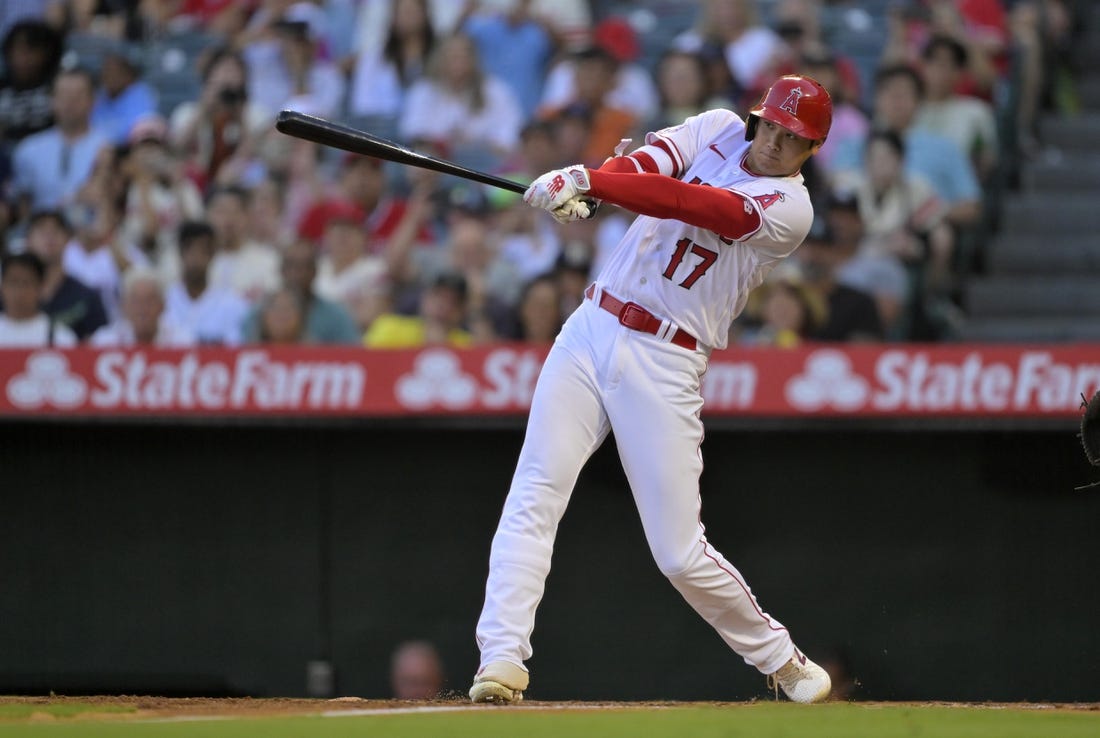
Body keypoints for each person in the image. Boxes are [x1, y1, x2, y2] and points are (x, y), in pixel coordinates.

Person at [468, 75, 835, 705]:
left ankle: (781, 658)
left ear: (811, 150)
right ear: (758, 118)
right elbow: (649, 163)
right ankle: (501, 659)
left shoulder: (790, 209)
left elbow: (691, 205)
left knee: (677, 552)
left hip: (667, 358)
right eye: (772, 124)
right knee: (535, 491)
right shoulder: (718, 126)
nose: (776, 141)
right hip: (591, 327)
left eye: (794, 137)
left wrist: (591, 180)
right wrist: (603, 182)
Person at [10, 67, 111, 214]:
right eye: (63, 95)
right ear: (51, 99)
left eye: (78, 95)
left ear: (93, 100)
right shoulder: (28, 149)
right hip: (41, 230)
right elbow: (23, 203)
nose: (70, 102)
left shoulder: (107, 146)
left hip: (91, 231)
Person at [22, 209, 108, 341]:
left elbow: (100, 344)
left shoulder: (86, 297)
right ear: (28, 241)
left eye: (56, 230)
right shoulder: (10, 298)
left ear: (68, 239)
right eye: (41, 231)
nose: (49, 237)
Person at [163, 221, 250, 346]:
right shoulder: (164, 301)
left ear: (212, 255)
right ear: (181, 253)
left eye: (203, 251)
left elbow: (235, 350)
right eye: (190, 250)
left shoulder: (232, 304)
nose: (196, 258)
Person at [90, 267, 194, 347]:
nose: (143, 308)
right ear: (124, 306)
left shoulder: (182, 342)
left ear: (163, 306)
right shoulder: (105, 342)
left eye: (150, 301)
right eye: (136, 301)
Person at [0, 250, 78, 347]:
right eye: (13, 282)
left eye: (26, 283)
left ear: (41, 287)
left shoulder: (61, 337)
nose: (19, 291)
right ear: (2, 286)